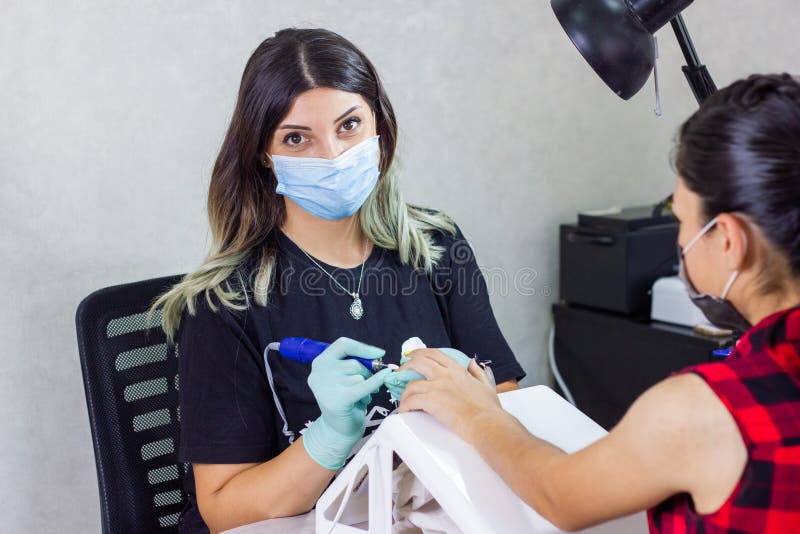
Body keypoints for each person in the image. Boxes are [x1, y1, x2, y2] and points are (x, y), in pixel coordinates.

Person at [152, 28, 525, 533]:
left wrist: (466, 395)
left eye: (349, 125)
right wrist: (328, 438)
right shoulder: (222, 303)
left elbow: (505, 400)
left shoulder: (436, 246)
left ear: (379, 127)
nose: (331, 155)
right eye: (297, 138)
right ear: (264, 153)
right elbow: (223, 509)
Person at [397, 73, 800, 533]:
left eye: (682, 220)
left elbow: (559, 495)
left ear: (728, 240)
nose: (680, 241)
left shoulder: (701, 411)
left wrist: (474, 412)